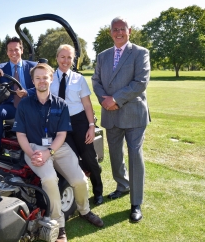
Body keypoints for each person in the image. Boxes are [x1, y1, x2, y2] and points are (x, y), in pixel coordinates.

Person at [13, 63, 104, 242]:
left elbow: (62, 134)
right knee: (49, 179)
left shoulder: (61, 104)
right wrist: (32, 154)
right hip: (34, 149)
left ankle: (84, 210)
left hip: (57, 146)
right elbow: (20, 134)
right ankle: (58, 223)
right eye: (37, 78)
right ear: (33, 81)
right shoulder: (24, 104)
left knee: (80, 180)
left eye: (45, 77)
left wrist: (49, 152)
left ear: (51, 79)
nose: (41, 81)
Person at [92, 16, 150, 223]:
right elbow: (96, 80)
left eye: (122, 29)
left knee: (135, 156)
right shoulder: (103, 55)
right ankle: (122, 186)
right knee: (115, 154)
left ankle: (136, 203)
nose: (119, 32)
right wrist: (105, 101)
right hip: (111, 114)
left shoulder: (140, 53)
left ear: (129, 30)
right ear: (110, 32)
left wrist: (115, 99)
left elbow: (141, 82)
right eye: (115, 29)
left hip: (134, 113)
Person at [50, 44, 103, 206]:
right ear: (57, 57)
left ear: (73, 60)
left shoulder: (78, 79)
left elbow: (87, 105)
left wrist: (91, 126)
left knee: (89, 156)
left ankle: (98, 190)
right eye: (63, 57)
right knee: (72, 158)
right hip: (60, 124)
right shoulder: (50, 77)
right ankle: (79, 189)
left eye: (69, 58)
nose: (66, 61)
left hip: (78, 121)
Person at [0, 36, 37, 157]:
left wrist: (28, 92)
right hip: (11, 105)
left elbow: (45, 84)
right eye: (10, 50)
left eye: (16, 49)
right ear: (7, 52)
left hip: (30, 105)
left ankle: (32, 148)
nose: (14, 53)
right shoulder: (1, 68)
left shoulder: (33, 67)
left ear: (21, 50)